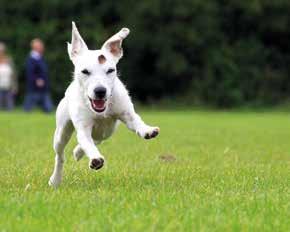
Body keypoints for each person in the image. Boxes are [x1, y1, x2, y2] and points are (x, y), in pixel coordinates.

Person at [23, 38, 53, 112]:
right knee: (28, 105)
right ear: (35, 47)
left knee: (47, 106)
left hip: (43, 86)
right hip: (35, 85)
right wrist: (37, 79)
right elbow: (30, 72)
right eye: (40, 46)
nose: (42, 47)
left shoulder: (39, 57)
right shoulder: (31, 58)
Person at [0, 42, 17, 110]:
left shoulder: (9, 59)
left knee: (10, 106)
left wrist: (15, 86)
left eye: (1, 51)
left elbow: (13, 74)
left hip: (8, 85)